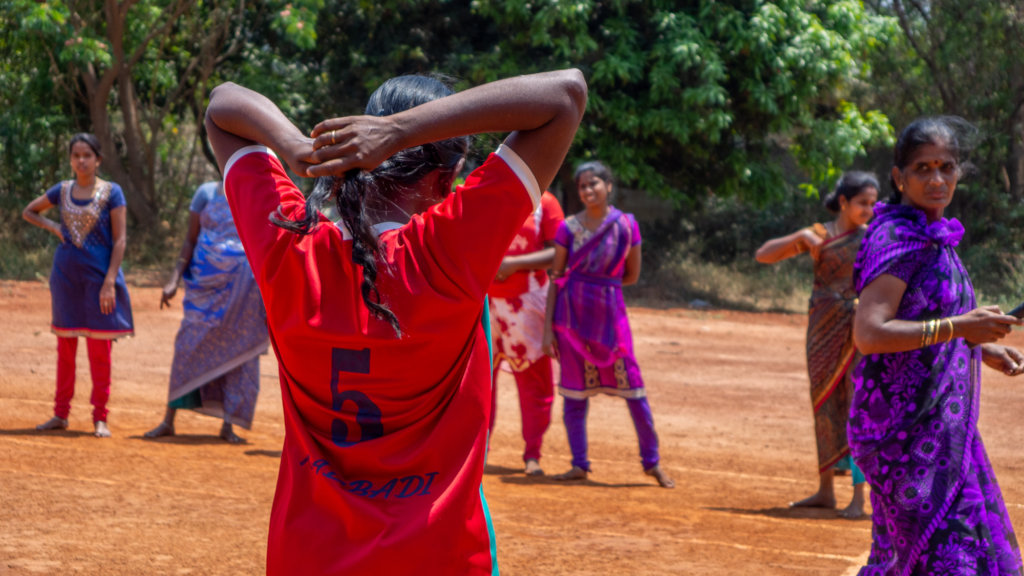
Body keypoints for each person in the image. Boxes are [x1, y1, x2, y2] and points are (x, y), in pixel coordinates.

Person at [204, 69, 586, 574]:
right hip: (436, 554)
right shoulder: (450, 252)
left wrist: (299, 148)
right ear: (446, 180)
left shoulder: (289, 248)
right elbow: (565, 94)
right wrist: (402, 132)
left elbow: (223, 105)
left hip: (307, 555)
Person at [851, 116, 1024, 574]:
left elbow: (925, 322)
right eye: (923, 168)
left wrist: (977, 347)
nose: (937, 179)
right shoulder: (900, 239)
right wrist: (958, 329)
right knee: (944, 560)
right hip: (904, 437)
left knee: (933, 558)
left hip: (941, 434)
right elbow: (869, 334)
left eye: (946, 167)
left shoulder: (934, 236)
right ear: (898, 177)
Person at [542, 160, 674, 489]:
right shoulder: (567, 228)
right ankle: (579, 464)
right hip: (570, 321)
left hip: (611, 321)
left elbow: (631, 276)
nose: (588, 191)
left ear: (609, 186)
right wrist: (547, 331)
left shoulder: (627, 226)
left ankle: (652, 463)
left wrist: (600, 287)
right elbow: (556, 278)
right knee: (574, 396)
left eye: (593, 184)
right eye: (582, 186)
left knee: (636, 393)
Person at [754, 172, 879, 518]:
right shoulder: (819, 236)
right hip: (822, 330)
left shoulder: (874, 239)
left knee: (856, 407)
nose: (869, 209)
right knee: (823, 404)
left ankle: (858, 496)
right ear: (843, 202)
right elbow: (763, 255)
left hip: (859, 331)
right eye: (862, 203)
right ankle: (825, 491)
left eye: (872, 203)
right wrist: (800, 236)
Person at [22, 133, 134, 438]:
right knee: (65, 348)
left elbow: (120, 239)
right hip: (67, 278)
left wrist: (110, 281)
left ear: (98, 159)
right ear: (71, 160)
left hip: (99, 280)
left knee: (100, 351)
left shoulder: (112, 193)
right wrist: (54, 226)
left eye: (87, 155)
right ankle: (60, 414)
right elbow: (29, 211)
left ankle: (100, 417)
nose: (81, 160)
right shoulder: (62, 190)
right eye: (76, 155)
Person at [144, 181, 269, 444]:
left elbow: (265, 240)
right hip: (203, 285)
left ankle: (228, 425)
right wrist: (173, 279)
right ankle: (169, 420)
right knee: (187, 346)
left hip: (243, 291)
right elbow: (190, 240)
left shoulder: (254, 190)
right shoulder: (205, 192)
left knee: (239, 351)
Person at [488, 189, 565, 476]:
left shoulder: (545, 203)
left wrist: (512, 265)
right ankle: (479, 450)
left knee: (535, 384)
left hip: (528, 304)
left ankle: (532, 454)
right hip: (487, 303)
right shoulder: (490, 194)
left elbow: (559, 251)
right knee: (480, 382)